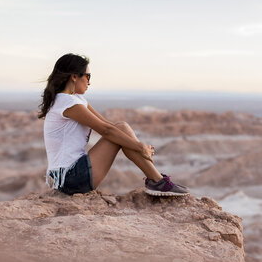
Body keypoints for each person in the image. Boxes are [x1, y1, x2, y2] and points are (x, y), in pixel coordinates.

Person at [38, 53, 189, 197]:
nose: (89, 82)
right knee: (120, 128)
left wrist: (137, 145)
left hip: (66, 178)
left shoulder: (76, 100)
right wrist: (140, 147)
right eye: (88, 76)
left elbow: (107, 124)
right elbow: (106, 130)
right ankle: (158, 181)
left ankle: (157, 181)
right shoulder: (68, 102)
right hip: (70, 179)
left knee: (121, 127)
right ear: (74, 76)